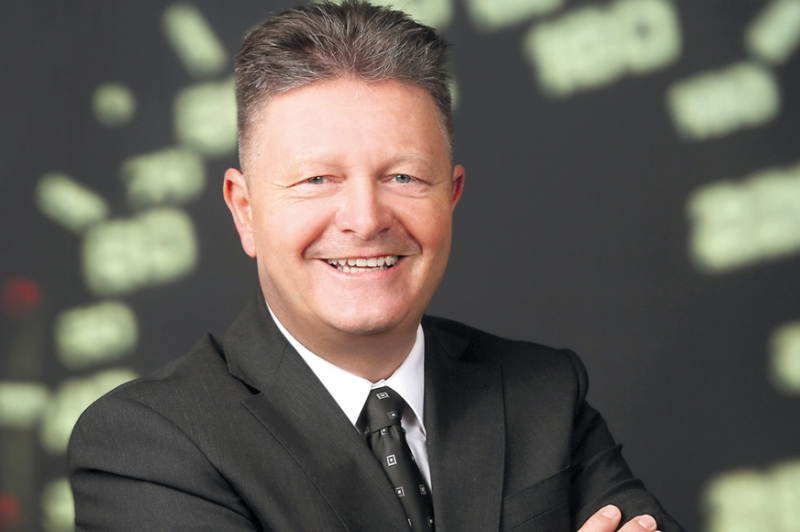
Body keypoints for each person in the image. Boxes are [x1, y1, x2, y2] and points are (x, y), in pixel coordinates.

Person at [68, 2, 686, 531]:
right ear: (245, 211)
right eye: (317, 179)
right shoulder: (146, 444)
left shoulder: (542, 392)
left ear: (451, 196)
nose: (365, 220)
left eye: (404, 177)